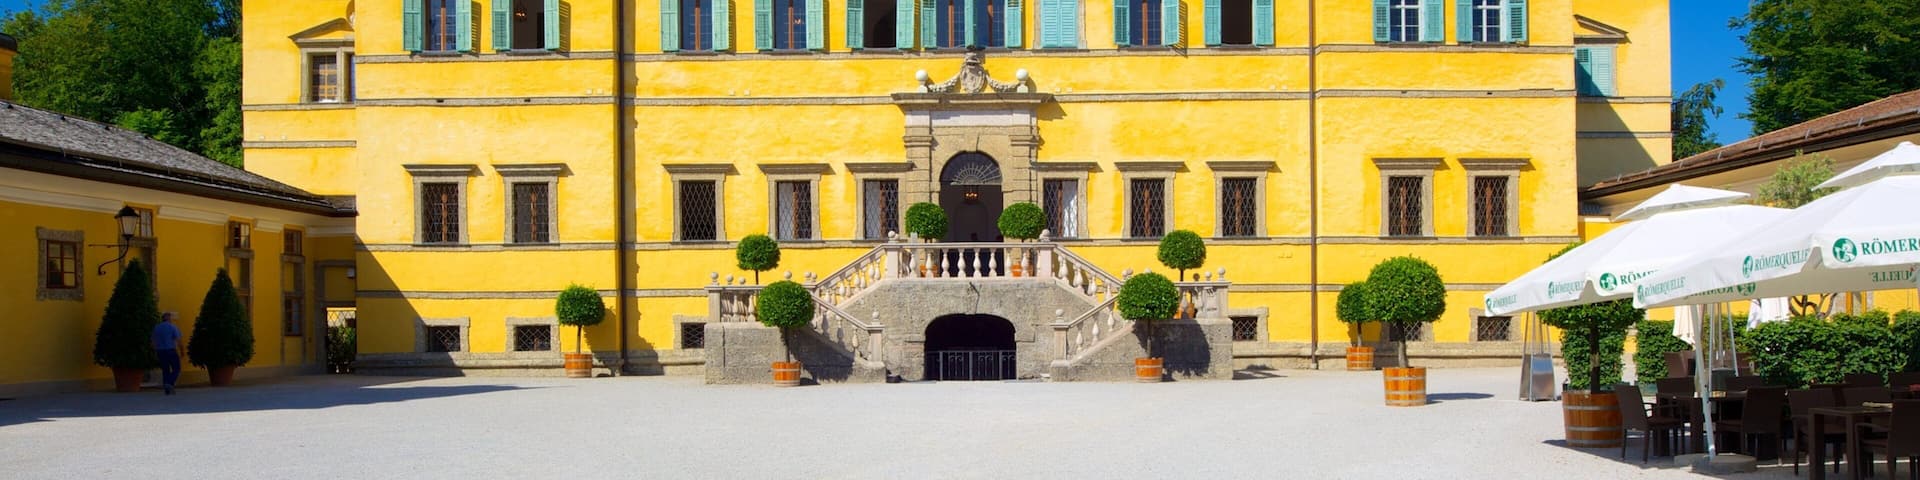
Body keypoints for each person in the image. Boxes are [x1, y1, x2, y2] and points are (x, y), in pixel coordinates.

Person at [152, 312, 182, 395]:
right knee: (176, 369)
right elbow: (178, 340)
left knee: (165, 370)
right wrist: (182, 351)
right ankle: (169, 382)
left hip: (160, 351)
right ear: (169, 318)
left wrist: (155, 352)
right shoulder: (172, 327)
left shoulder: (156, 328)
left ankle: (167, 390)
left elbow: (153, 341)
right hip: (171, 350)